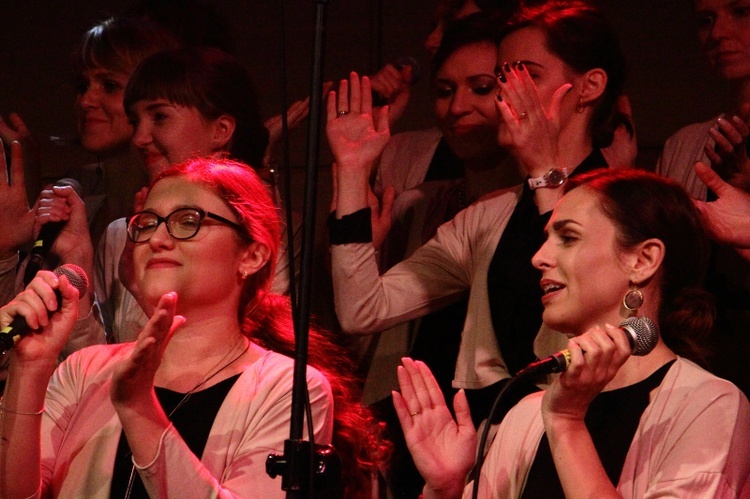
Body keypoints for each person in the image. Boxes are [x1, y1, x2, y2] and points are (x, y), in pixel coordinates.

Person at [0, 157, 386, 498]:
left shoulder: (287, 387)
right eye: (146, 223)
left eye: (188, 221)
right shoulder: (84, 370)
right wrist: (29, 369)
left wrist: (139, 409)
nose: (158, 239)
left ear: (251, 255)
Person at [327, 1, 631, 425]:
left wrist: (546, 171)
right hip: (495, 449)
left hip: (581, 437)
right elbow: (363, 308)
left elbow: (578, 321)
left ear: (590, 85)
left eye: (528, 75)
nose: (508, 93)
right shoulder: (491, 214)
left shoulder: (631, 205)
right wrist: (352, 172)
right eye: (504, 77)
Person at [394, 168, 750, 498]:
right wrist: (445, 489)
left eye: (568, 237)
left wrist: (566, 423)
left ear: (642, 261)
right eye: (547, 238)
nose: (538, 257)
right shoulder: (529, 414)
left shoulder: (707, 404)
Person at [37, 47, 299, 347]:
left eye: (160, 117)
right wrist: (77, 257)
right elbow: (92, 373)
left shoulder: (259, 231)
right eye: (136, 121)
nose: (139, 138)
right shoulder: (121, 234)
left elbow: (245, 355)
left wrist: (140, 290)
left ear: (221, 129)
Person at [656, 0, 750, 398]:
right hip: (698, 372)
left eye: (741, 11)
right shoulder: (687, 144)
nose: (718, 33)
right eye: (706, 20)